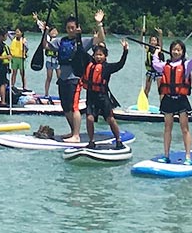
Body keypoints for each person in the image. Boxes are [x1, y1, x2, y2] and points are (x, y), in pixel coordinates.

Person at [44, 12, 107, 142]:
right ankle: (73, 131)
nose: (70, 30)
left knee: (74, 107)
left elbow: (101, 40)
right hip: (62, 78)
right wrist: (45, 33)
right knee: (65, 107)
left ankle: (76, 136)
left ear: (77, 28)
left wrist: (99, 24)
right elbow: (46, 46)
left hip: (75, 78)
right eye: (68, 28)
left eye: (73, 28)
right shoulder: (60, 41)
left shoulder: (82, 42)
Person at [152, 39, 192, 162]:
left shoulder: (186, 65)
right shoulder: (165, 65)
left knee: (184, 128)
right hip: (168, 100)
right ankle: (166, 155)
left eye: (178, 50)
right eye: (174, 49)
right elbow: (155, 64)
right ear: (170, 51)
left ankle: (188, 157)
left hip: (181, 100)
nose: (176, 52)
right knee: (167, 128)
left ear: (182, 52)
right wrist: (156, 53)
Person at [79, 41, 130, 149]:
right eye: (96, 54)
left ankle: (118, 140)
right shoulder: (89, 63)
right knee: (89, 118)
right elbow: (81, 51)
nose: (98, 57)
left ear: (105, 56)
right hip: (91, 96)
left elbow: (120, 64)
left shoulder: (107, 67)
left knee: (110, 119)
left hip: (103, 97)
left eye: (100, 55)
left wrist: (125, 51)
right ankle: (91, 141)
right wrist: (79, 36)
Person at [7, 28, 28, 94]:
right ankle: (12, 85)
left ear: (22, 33)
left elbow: (27, 49)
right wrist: (15, 32)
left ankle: (24, 87)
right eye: (16, 32)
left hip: (21, 58)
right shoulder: (13, 38)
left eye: (18, 32)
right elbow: (8, 33)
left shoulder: (24, 40)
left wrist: (24, 44)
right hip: (14, 58)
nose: (17, 33)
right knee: (14, 73)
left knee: (22, 73)